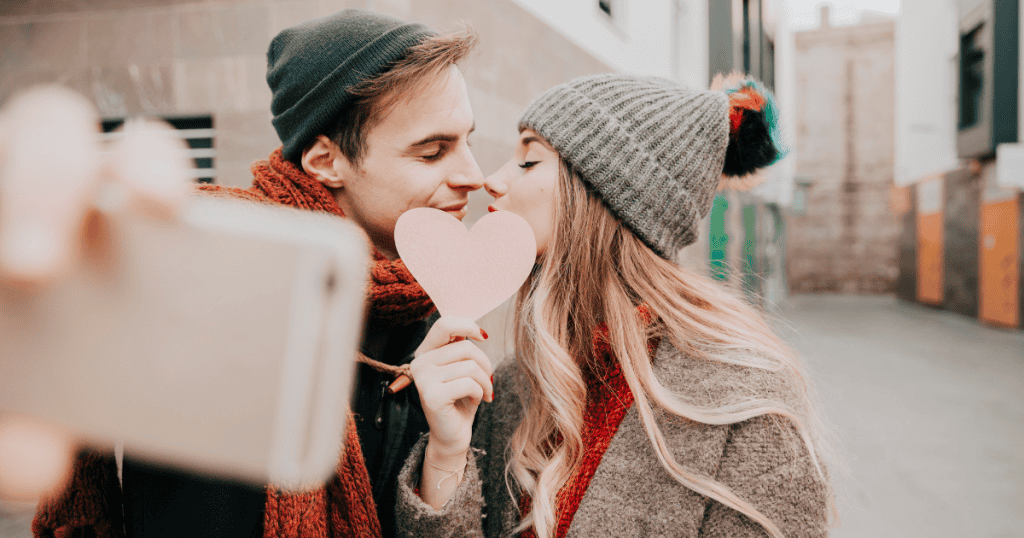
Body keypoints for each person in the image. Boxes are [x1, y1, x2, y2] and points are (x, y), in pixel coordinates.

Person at [34, 9, 494, 538]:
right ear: (325, 161)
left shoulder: (428, 308)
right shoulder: (203, 270)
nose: (473, 176)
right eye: (433, 151)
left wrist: (445, 454)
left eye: (468, 141)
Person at [393, 73, 836, 537]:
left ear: (604, 198)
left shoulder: (742, 406)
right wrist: (447, 449)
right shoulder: (511, 385)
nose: (493, 180)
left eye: (528, 160)